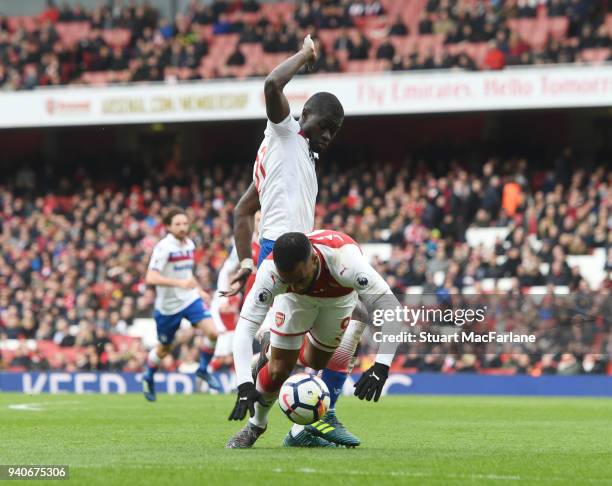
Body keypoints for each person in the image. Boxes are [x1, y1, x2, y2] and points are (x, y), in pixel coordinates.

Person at [222, 35, 368, 447]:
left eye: (335, 131)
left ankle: (293, 389)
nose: (329, 136)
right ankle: (263, 421)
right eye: (325, 126)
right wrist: (306, 56)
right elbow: (271, 85)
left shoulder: (295, 157)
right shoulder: (284, 133)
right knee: (293, 357)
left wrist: (243, 263)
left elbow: (241, 210)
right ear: (305, 116)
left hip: (310, 251)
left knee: (348, 324)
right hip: (284, 255)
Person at [226, 231, 401, 449]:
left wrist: (381, 366)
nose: (297, 284)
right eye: (288, 280)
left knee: (317, 362)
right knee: (279, 368)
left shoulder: (347, 262)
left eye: (300, 279)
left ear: (314, 260)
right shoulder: (271, 274)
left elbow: (393, 309)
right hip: (292, 301)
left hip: (338, 298)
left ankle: (276, 346)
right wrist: (244, 385)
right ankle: (256, 425)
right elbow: (244, 328)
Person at [142, 208, 222, 401]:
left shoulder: (190, 245)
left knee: (213, 332)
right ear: (168, 227)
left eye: (185, 223)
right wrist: (179, 284)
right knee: (164, 349)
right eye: (177, 224)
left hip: (189, 298)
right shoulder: (164, 248)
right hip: (168, 307)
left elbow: (186, 273)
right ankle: (148, 376)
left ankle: (202, 370)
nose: (182, 227)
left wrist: (199, 290)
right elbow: (150, 277)